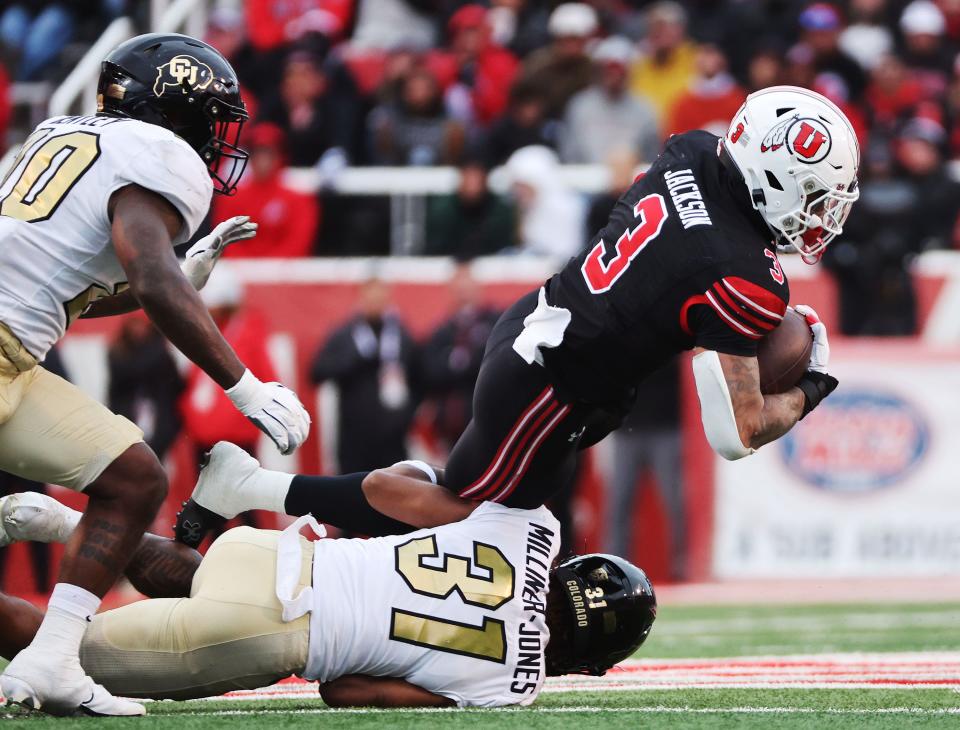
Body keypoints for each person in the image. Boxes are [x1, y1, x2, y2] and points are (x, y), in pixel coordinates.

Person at [178, 87, 852, 561]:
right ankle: (249, 488)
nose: (823, 215)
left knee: (498, 520)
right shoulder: (743, 278)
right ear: (776, 176)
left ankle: (340, 522)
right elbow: (736, 431)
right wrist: (812, 380)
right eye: (817, 196)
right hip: (553, 386)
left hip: (538, 326)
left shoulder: (693, 152)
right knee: (456, 507)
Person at [0, 33, 310, 716]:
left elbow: (78, 286)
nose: (218, 140)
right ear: (174, 110)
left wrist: (180, 276)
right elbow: (147, 273)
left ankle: (52, 660)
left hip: (14, 356)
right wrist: (245, 385)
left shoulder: (63, 132)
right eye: (212, 118)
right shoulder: (159, 154)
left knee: (132, 478)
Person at [0, 473, 656, 706]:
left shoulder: (532, 529)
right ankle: (57, 530)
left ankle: (62, 522)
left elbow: (390, 490)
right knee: (67, 658)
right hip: (270, 631)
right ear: (593, 661)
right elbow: (344, 690)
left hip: (277, 551)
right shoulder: (509, 687)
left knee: (201, 576)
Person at [310, 279, 419, 474]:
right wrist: (354, 361)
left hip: (393, 438)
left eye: (380, 297)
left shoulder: (401, 334)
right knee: (353, 496)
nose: (375, 302)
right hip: (354, 439)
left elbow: (420, 378)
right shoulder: (345, 335)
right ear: (361, 298)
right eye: (371, 297)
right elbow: (316, 372)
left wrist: (407, 414)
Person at [420, 264, 501, 450]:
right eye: (458, 289)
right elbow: (430, 372)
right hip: (451, 424)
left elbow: (495, 363)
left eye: (467, 288)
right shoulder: (442, 331)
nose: (463, 294)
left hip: (487, 415)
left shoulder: (494, 321)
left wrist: (463, 361)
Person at [214, 123, 320, 258]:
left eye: (268, 153)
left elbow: (299, 241)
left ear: (280, 156)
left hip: (284, 273)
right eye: (257, 153)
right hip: (240, 273)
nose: (262, 160)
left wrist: (272, 269)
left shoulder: (299, 199)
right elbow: (225, 240)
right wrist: (247, 268)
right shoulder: (231, 198)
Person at [561, 36, 659, 165]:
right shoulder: (580, 106)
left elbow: (651, 157)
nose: (614, 76)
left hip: (633, 180)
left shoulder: (645, 109)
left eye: (619, 70)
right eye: (609, 70)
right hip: (584, 179)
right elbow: (569, 154)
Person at [517, 3, 598, 119]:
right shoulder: (537, 65)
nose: (571, 46)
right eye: (565, 40)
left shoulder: (593, 69)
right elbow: (522, 102)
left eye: (576, 40)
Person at [504, 145, 586, 258]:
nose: (519, 192)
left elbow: (567, 253)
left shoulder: (566, 209)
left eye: (523, 186)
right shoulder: (523, 209)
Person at [425, 158, 516, 257]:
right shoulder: (442, 209)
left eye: (477, 180)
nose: (473, 186)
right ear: (461, 180)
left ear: (485, 181)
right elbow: (435, 247)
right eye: (469, 179)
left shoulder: (499, 209)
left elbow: (503, 247)